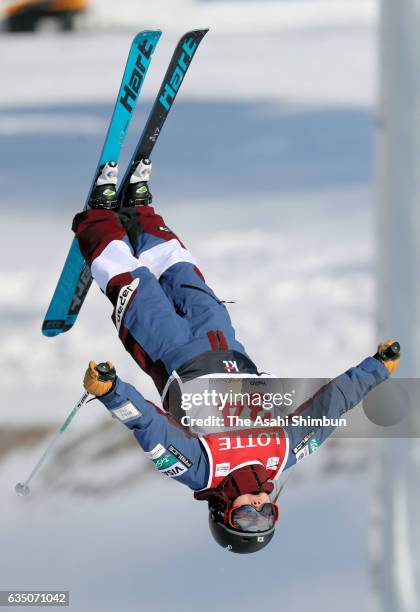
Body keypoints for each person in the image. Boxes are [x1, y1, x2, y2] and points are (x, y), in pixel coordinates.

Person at [73, 159, 400, 554]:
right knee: (182, 271)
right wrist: (376, 370)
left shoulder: (200, 470)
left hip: (171, 351)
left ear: (223, 514)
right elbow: (330, 407)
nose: (259, 507)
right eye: (268, 515)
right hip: (222, 343)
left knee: (132, 283)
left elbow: (151, 429)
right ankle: (138, 210)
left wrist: (112, 392)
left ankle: (100, 216)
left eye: (247, 518)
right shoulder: (284, 453)